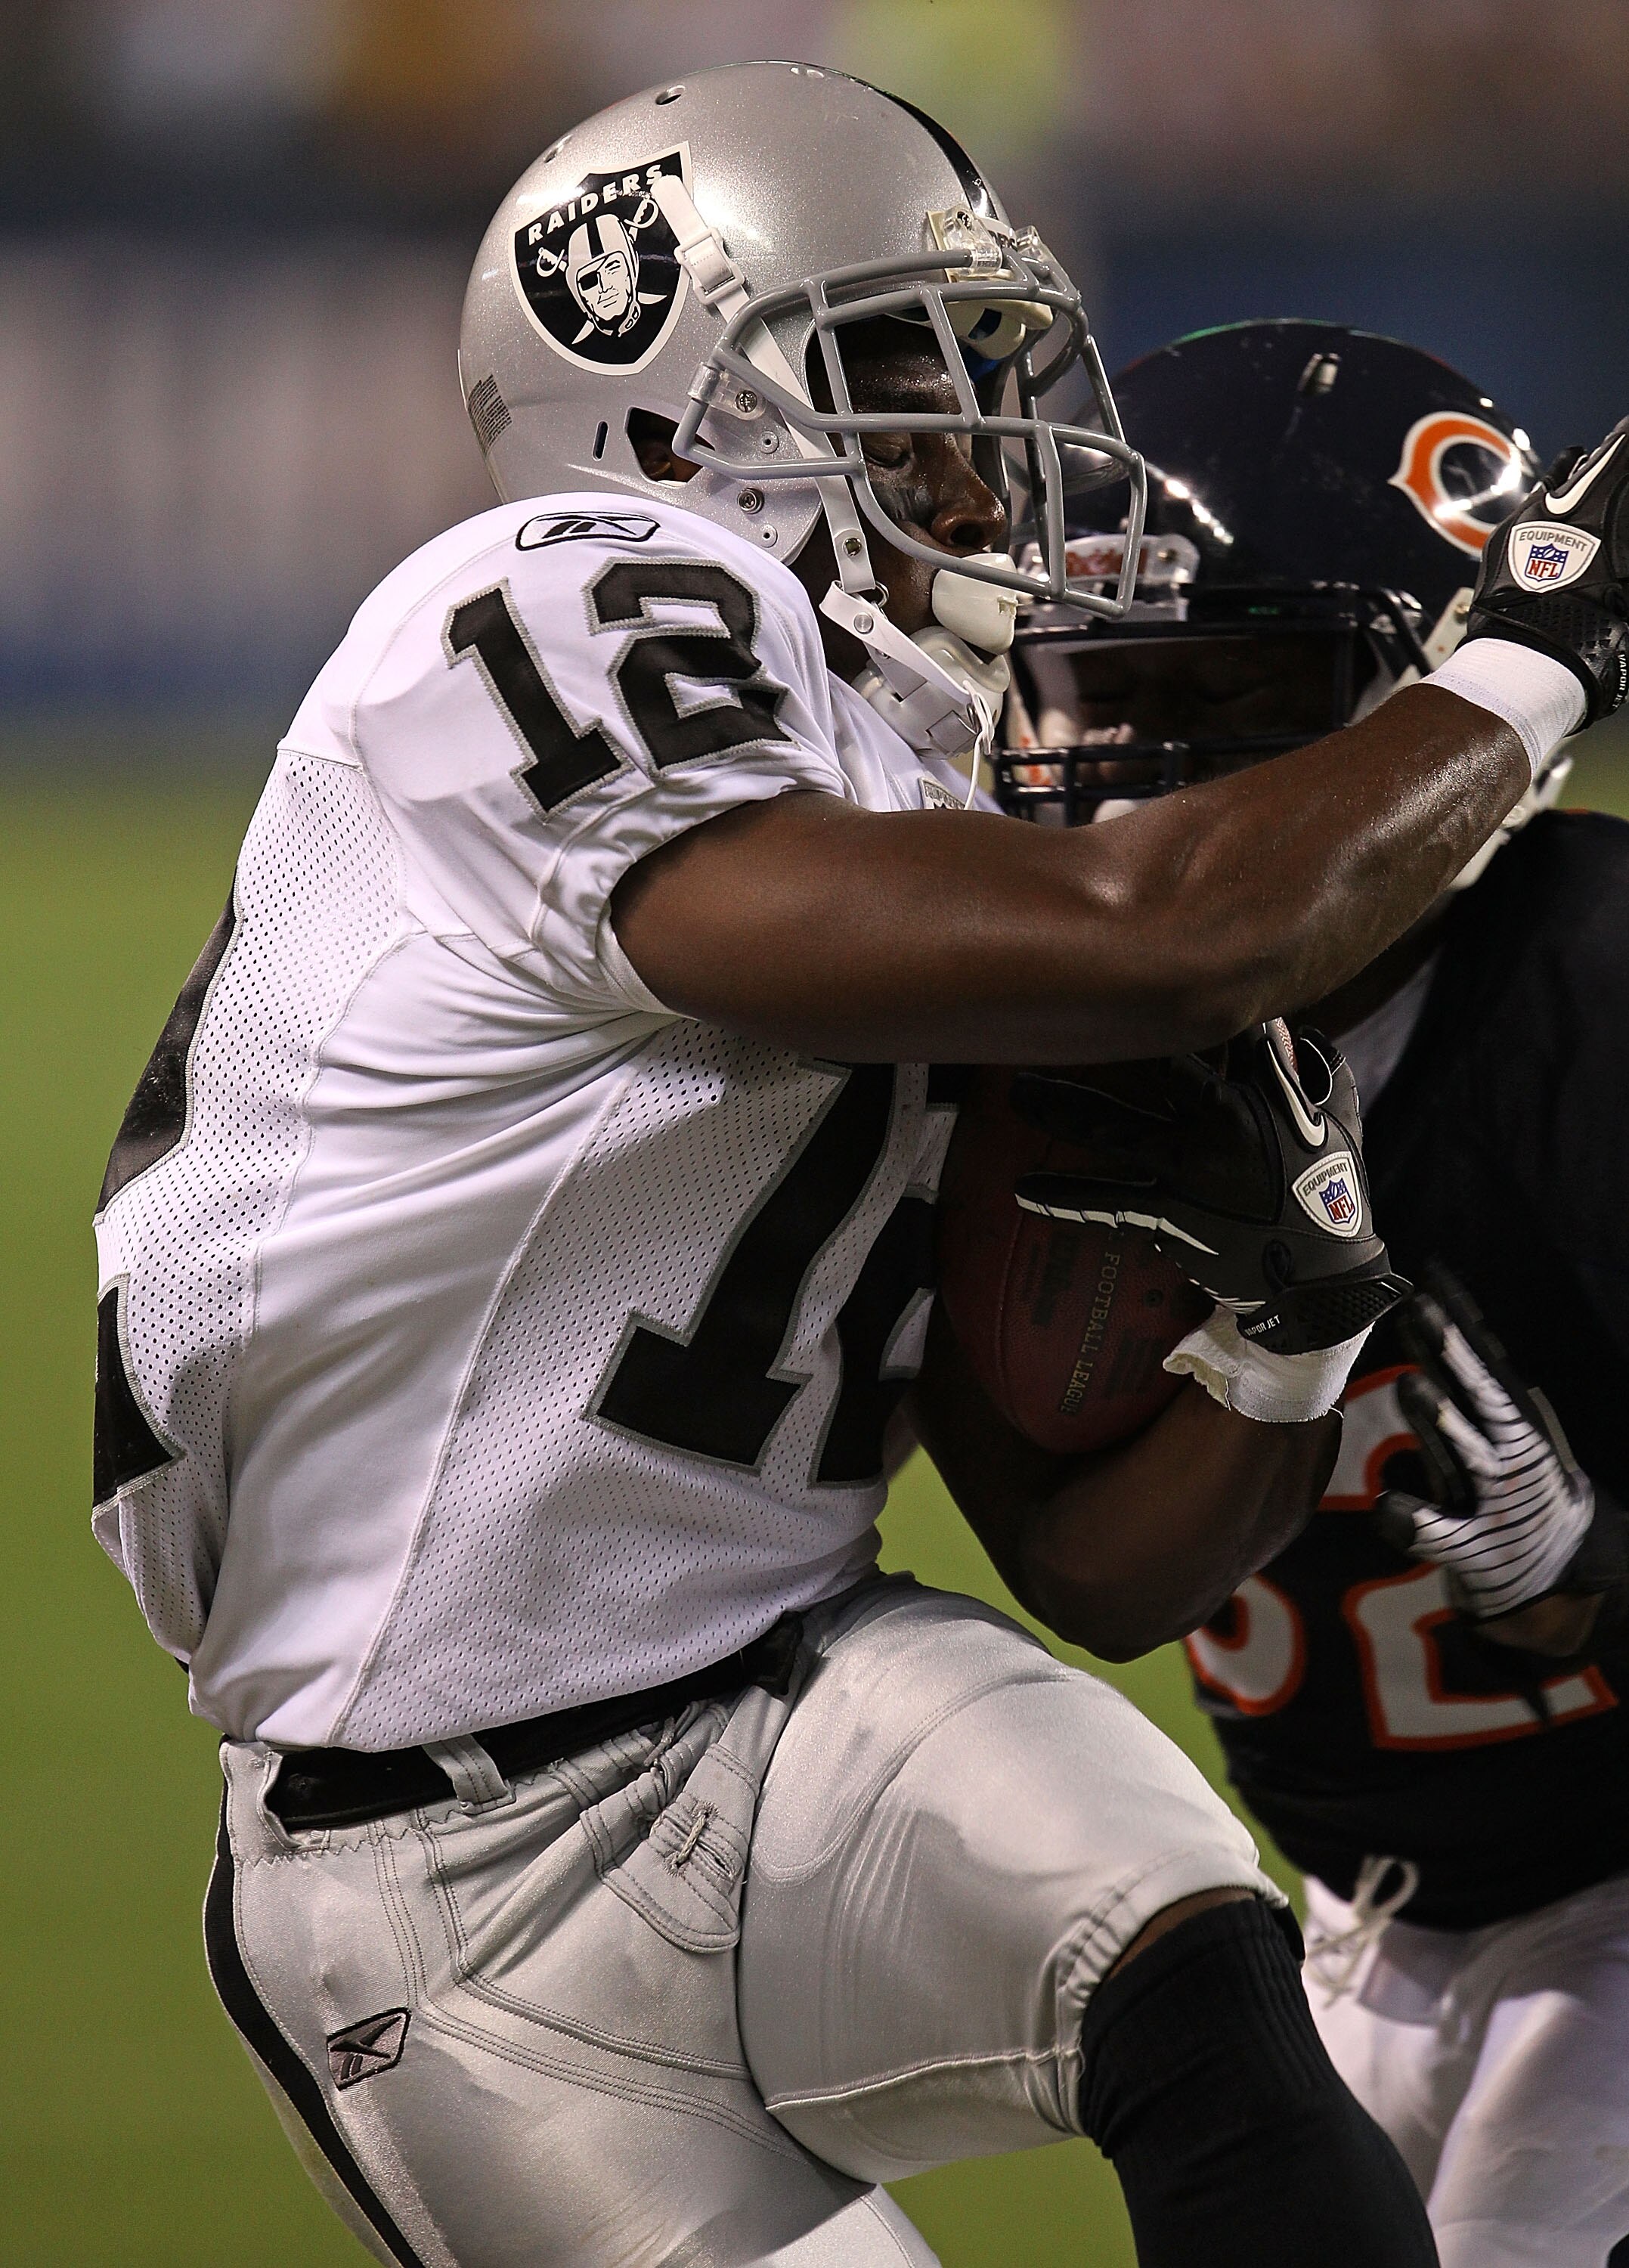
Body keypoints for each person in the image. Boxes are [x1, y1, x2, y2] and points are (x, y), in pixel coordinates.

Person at [91, 62, 1621, 2266]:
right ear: (658, 402)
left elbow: (1094, 1571)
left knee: (1198, 1983)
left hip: (795, 1687)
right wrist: (1535, 650)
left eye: (989, 367)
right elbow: (1169, 931)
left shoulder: (932, 761)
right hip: (426, 1868)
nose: (976, 446)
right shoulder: (545, 592)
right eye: (898, 367)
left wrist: (1283, 1340)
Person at [1002, 318, 1629, 2268]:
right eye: (1105, 694)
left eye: (1237, 692)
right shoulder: (1025, 1035)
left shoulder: (1592, 997)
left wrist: (1609, 1567)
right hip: (1356, 1913)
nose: (1144, 777)